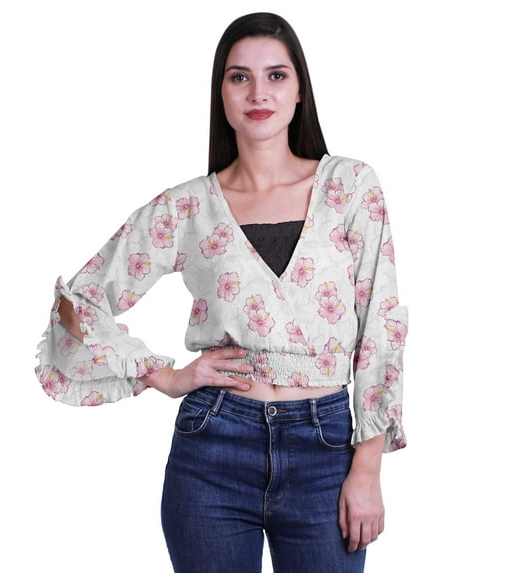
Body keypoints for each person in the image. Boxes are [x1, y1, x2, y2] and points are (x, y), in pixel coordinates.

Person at [35, 12, 408, 573]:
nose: (259, 93)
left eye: (276, 75)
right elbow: (77, 301)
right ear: (221, 93)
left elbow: (382, 323)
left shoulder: (351, 186)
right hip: (214, 445)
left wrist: (369, 468)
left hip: (327, 450)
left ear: (300, 90)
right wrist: (164, 375)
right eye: (240, 77)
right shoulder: (187, 207)